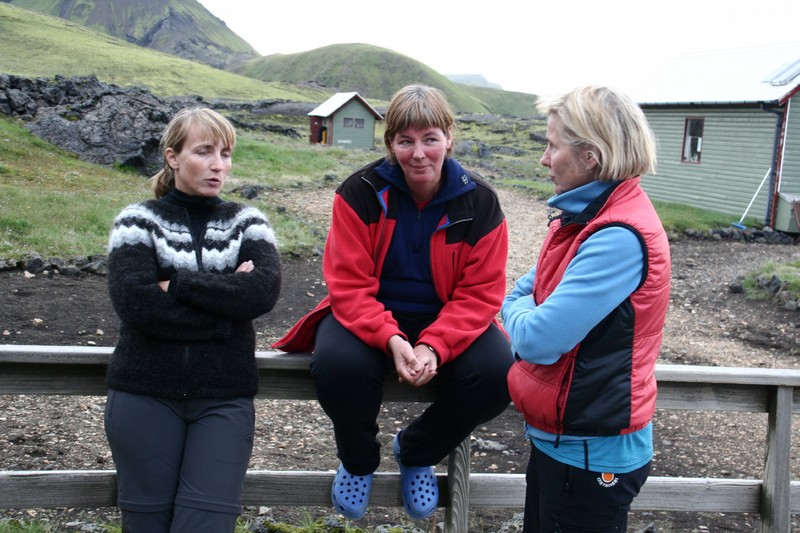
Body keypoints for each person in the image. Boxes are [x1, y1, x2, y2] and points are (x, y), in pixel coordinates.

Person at [273, 84, 514, 521]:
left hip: (445, 316)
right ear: (390, 144)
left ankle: (417, 451)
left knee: (498, 374)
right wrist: (392, 339)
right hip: (367, 313)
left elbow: (480, 294)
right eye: (405, 141)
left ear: (449, 139)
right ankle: (357, 460)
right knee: (337, 366)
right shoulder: (360, 192)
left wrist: (434, 345)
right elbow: (348, 285)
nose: (418, 153)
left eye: (430, 139)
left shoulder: (481, 203)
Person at [501, 85, 671, 532]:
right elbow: (532, 287)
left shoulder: (617, 236)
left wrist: (514, 306)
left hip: (591, 454)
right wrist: (524, 302)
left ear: (590, 157)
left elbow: (538, 338)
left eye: (553, 146)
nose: (544, 159)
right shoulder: (588, 218)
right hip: (567, 442)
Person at [104, 107, 281, 533]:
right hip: (143, 393)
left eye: (225, 154)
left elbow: (261, 292)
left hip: (224, 399)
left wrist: (176, 283)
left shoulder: (248, 222)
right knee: (146, 524)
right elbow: (137, 304)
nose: (218, 164)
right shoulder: (136, 221)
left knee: (207, 523)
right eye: (204, 151)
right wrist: (224, 318)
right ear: (173, 156)